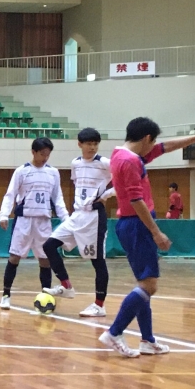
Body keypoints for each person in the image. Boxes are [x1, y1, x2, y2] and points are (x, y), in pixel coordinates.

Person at [98, 120, 195, 357]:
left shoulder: (122, 155)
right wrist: (156, 232)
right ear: (146, 138)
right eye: (153, 141)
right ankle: (114, 332)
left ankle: (147, 340)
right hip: (137, 224)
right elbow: (136, 201)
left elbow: (165, 147)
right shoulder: (130, 161)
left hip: (131, 224)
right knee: (149, 286)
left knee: (144, 284)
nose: (155, 146)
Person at [42, 128, 114, 318]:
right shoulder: (75, 163)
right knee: (49, 245)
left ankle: (99, 305)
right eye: (89, 143)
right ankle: (66, 286)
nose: (92, 147)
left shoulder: (105, 163)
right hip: (77, 215)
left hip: (94, 218)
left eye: (95, 144)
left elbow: (126, 179)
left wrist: (106, 195)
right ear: (80, 144)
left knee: (98, 261)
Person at [0, 137, 71, 310]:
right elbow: (10, 194)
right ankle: (6, 295)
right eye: (42, 154)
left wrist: (66, 220)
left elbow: (58, 198)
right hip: (24, 220)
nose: (45, 157)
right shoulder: (22, 171)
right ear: (33, 152)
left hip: (44, 221)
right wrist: (4, 214)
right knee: (14, 257)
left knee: (45, 260)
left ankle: (46, 296)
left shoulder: (53, 172)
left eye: (48, 154)